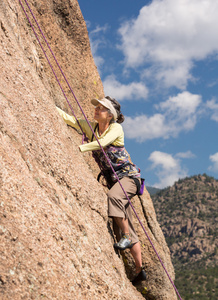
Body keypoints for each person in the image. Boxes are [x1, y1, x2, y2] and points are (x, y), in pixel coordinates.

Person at [56, 96, 146, 284]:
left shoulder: (116, 128)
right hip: (115, 180)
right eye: (96, 107)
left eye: (101, 108)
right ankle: (139, 270)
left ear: (111, 115)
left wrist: (80, 148)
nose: (97, 110)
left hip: (128, 178)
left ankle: (127, 238)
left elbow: (101, 143)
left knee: (113, 197)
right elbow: (70, 119)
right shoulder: (91, 127)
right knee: (122, 220)